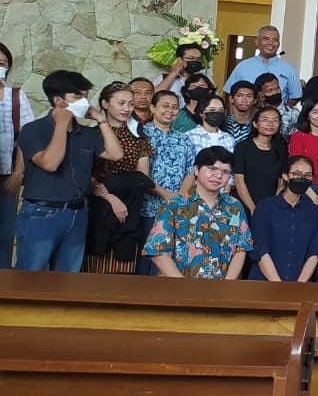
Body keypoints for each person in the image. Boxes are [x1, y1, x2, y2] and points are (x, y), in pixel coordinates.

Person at [16, 70, 124, 272]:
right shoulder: (33, 130)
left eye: (85, 96)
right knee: (30, 275)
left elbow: (116, 154)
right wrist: (61, 123)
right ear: (58, 101)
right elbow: (50, 163)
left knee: (69, 277)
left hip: (77, 213)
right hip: (42, 214)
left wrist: (100, 119)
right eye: (77, 96)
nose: (84, 102)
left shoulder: (86, 133)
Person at [143, 146, 252, 279]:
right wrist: (185, 287)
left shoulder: (235, 207)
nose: (219, 176)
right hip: (178, 286)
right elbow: (158, 252)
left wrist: (227, 284)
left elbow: (241, 248)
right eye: (212, 169)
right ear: (196, 169)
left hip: (221, 287)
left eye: (225, 172)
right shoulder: (174, 205)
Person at [81, 82, 154, 275]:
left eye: (130, 104)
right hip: (98, 203)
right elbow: (84, 173)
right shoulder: (90, 135)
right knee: (94, 266)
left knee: (123, 267)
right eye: (121, 103)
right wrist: (109, 197)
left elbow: (142, 177)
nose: (126, 109)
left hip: (130, 204)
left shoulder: (139, 137)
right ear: (105, 104)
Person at [139, 91, 195, 275]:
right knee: (149, 258)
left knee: (171, 259)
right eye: (165, 106)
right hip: (149, 207)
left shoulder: (183, 138)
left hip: (177, 207)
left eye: (174, 107)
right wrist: (167, 196)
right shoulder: (142, 135)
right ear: (153, 108)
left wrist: (179, 197)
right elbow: (141, 174)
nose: (170, 111)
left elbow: (190, 171)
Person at [250, 155, 318, 281]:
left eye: (308, 175)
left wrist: (299, 285)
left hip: (300, 285)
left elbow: (314, 252)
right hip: (263, 283)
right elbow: (260, 250)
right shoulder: (265, 207)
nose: (302, 179)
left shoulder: (314, 212)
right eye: (297, 174)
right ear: (285, 176)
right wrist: (279, 285)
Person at [223, 25, 301, 104]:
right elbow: (229, 94)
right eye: (266, 39)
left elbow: (295, 97)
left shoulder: (288, 69)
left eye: (275, 40)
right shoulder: (242, 67)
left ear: (279, 43)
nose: (271, 43)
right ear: (257, 42)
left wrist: (280, 110)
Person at [233, 106, 288, 214]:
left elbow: (281, 181)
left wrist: (274, 204)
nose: (270, 124)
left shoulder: (281, 149)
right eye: (265, 120)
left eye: (275, 120)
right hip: (245, 205)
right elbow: (239, 181)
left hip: (270, 206)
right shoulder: (243, 147)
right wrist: (253, 209)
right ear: (255, 123)